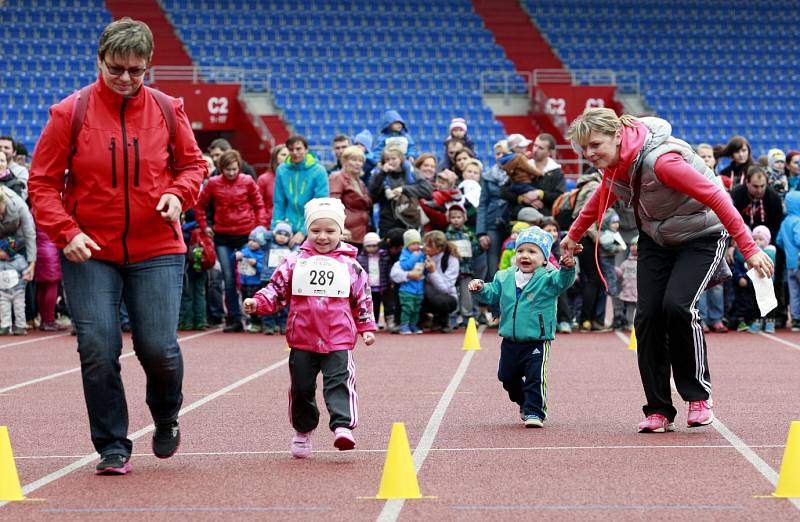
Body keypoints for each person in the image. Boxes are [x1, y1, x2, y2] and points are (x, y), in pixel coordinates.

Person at [28, 18, 207, 474]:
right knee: (97, 346)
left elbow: (192, 166)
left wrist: (177, 194)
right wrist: (67, 233)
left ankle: (166, 415)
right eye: (116, 69)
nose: (126, 79)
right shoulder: (70, 112)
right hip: (89, 250)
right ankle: (112, 444)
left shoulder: (169, 108)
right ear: (100, 61)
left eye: (136, 70)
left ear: (149, 65)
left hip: (158, 249)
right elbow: (43, 184)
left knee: (158, 347)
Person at [559, 108, 773, 434]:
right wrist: (572, 236)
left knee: (677, 305)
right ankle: (658, 408)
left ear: (617, 135)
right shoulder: (617, 164)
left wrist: (750, 248)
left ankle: (699, 396)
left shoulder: (661, 162)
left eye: (594, 145)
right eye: (583, 149)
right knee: (646, 317)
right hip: (657, 239)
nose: (589, 154)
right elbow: (602, 197)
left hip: (701, 235)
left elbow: (717, 195)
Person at [243, 198, 376, 458]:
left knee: (339, 382)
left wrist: (366, 326)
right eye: (316, 231)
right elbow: (276, 290)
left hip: (338, 338)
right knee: (301, 389)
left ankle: (342, 427)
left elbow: (363, 297)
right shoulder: (294, 262)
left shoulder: (351, 265)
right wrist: (257, 302)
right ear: (307, 231)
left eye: (330, 231)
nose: (323, 237)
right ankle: (303, 432)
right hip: (303, 338)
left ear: (341, 232)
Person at [469, 227, 576, 428]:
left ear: (544, 258)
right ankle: (523, 401)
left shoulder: (548, 278)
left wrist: (568, 268)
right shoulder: (504, 277)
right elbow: (491, 293)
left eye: (532, 252)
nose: (525, 256)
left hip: (537, 339)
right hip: (510, 340)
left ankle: (535, 412)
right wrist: (481, 288)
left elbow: (564, 281)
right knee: (506, 376)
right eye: (521, 251)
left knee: (535, 377)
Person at [195, 149, 267, 332]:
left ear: (239, 166)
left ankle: (254, 317)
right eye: (228, 170)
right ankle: (234, 318)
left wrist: (258, 230)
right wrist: (205, 227)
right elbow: (200, 207)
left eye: (234, 169)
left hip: (245, 235)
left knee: (247, 277)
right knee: (227, 278)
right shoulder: (213, 183)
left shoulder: (247, 181)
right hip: (223, 237)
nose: (232, 173)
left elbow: (259, 206)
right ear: (221, 169)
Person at [271, 135, 330, 247]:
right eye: (291, 149)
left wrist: (304, 231)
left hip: (311, 229)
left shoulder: (319, 171)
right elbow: (279, 203)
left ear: (306, 150)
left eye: (298, 149)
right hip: (286, 229)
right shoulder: (282, 170)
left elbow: (320, 205)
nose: (295, 152)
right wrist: (276, 227)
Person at [368, 146, 432, 234]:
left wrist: (404, 189)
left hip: (410, 221)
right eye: (387, 159)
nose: (390, 162)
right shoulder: (379, 174)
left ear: (400, 159)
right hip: (388, 222)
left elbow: (427, 191)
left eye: (393, 158)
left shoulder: (412, 172)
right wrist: (382, 174)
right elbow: (372, 196)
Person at [328, 145, 372, 248]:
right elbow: (334, 205)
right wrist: (340, 228)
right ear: (344, 161)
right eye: (354, 160)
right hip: (346, 234)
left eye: (360, 161)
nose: (358, 163)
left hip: (362, 233)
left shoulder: (360, 182)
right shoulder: (337, 177)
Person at [260, 221, 296, 335]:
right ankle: (268, 325)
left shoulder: (291, 248)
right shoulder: (268, 245)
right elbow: (260, 235)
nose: (282, 237)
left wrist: (293, 241)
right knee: (268, 301)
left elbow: (299, 251)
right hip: (268, 277)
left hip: (284, 280)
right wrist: (272, 232)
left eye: (286, 235)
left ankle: (284, 324)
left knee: (285, 304)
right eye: (279, 233)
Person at [34, 224, 67, 331]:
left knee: (42, 286)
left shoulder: (32, 211)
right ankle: (50, 321)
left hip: (37, 250)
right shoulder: (50, 209)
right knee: (52, 285)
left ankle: (44, 320)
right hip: (51, 250)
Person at [356, 232, 392, 329]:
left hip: (383, 285)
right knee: (374, 305)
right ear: (364, 246)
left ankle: (388, 322)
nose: (372, 248)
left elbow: (387, 269)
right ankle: (374, 322)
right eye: (369, 246)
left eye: (374, 245)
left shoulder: (384, 256)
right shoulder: (360, 258)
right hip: (370, 286)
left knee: (387, 304)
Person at [394, 229, 426, 335]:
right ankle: (404, 325)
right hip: (407, 289)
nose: (416, 246)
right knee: (407, 309)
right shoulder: (405, 255)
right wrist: (414, 257)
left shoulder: (421, 254)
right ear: (407, 245)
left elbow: (423, 268)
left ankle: (413, 325)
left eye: (418, 243)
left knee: (416, 309)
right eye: (413, 244)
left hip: (419, 289)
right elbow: (405, 266)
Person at [776, 191, 800, 331]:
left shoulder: (785, 222)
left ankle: (796, 319)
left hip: (790, 264)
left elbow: (779, 240)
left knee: (794, 291)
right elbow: (799, 239)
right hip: (799, 259)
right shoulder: (798, 221)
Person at [236, 226, 267, 332]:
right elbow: (236, 257)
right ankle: (253, 321)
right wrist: (237, 255)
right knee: (246, 302)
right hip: (244, 283)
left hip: (257, 283)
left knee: (257, 303)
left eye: (255, 241)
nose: (251, 243)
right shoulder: (245, 251)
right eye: (250, 240)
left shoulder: (262, 254)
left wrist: (256, 264)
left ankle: (259, 322)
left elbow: (264, 269)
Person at [0, 238, 29, 335]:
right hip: (3, 291)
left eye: (1, 251)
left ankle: (20, 326)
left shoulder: (19, 260)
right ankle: (5, 326)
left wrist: (26, 275)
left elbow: (25, 269)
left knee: (19, 308)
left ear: (9, 251)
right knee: (4, 309)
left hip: (18, 290)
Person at [257, 144, 288, 227]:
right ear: (275, 158)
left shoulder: (297, 178)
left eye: (289, 155)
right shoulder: (263, 179)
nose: (287, 158)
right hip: (270, 224)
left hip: (291, 225)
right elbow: (259, 205)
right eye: (283, 155)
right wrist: (263, 224)